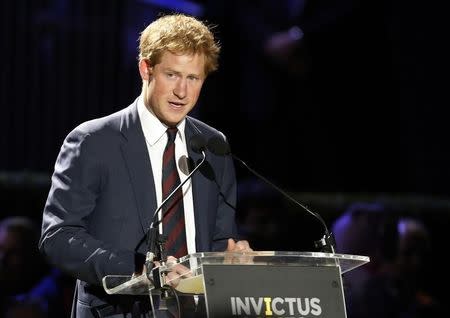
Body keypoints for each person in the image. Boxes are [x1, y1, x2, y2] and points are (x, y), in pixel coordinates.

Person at [38, 13, 252, 318]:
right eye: (172, 75)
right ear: (145, 69)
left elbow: (218, 238)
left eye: (193, 78)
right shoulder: (95, 140)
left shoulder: (212, 146)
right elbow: (57, 237)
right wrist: (140, 269)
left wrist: (230, 258)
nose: (182, 91)